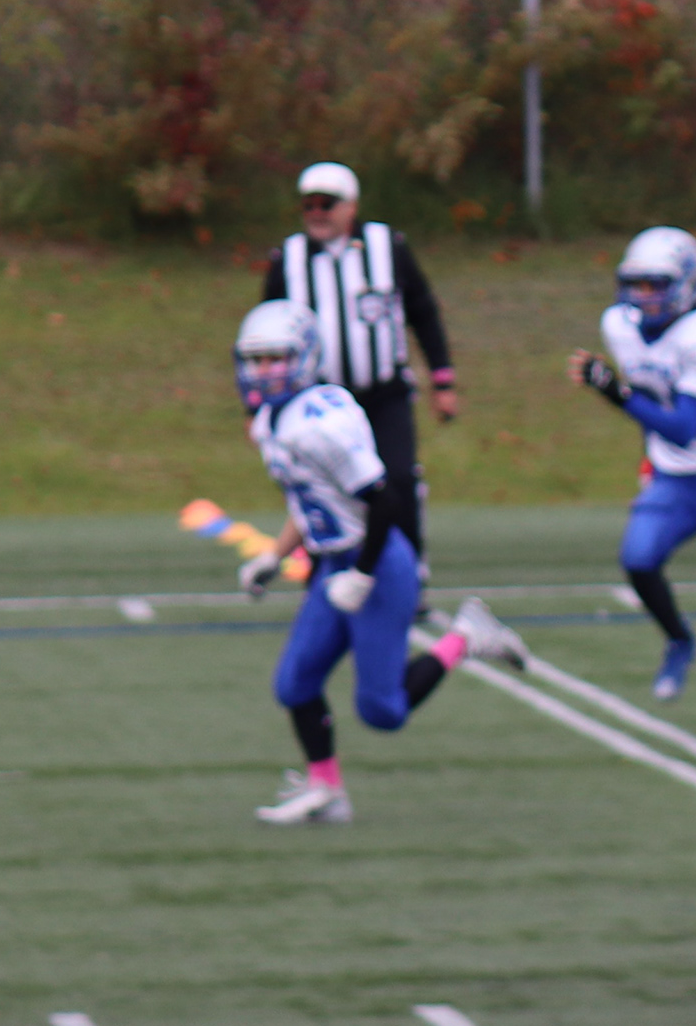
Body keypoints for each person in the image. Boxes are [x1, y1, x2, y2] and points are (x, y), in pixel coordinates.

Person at [225, 303, 526, 827]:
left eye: (276, 358)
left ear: (303, 357)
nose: (264, 370)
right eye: (256, 359)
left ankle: (465, 636)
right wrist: (275, 554)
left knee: (383, 712)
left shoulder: (322, 424)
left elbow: (386, 500)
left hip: (378, 562)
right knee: (294, 684)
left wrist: (362, 575)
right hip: (334, 563)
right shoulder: (272, 422)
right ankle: (326, 791)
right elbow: (310, 500)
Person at [572, 227, 696, 696]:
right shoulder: (620, 325)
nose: (645, 296)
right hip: (672, 476)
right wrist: (625, 403)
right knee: (638, 560)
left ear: (689, 283)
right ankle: (679, 641)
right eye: (637, 284)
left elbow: (684, 426)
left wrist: (615, 393)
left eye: (656, 285)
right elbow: (652, 404)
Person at [257, 162, 457, 555]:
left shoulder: (387, 247)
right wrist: (257, 403)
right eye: (308, 205)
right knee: (324, 485)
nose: (316, 213)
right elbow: (266, 332)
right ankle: (327, 568)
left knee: (398, 479)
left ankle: (408, 568)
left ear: (351, 206)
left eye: (326, 204)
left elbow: (422, 311)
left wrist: (442, 379)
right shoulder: (289, 258)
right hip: (320, 402)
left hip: (382, 393)